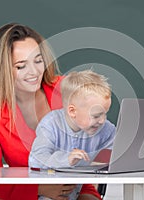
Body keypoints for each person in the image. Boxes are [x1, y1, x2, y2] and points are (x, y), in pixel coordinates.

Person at [0, 23, 102, 200]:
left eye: (38, 60)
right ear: (2, 70)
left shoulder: (65, 90)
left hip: (80, 187)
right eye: (21, 66)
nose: (34, 72)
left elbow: (98, 130)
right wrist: (38, 189)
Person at [29, 70, 116, 199]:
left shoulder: (104, 127)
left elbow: (115, 152)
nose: (102, 120)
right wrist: (66, 159)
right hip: (50, 193)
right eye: (96, 115)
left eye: (105, 113)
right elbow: (36, 160)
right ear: (72, 111)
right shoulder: (50, 124)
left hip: (78, 190)